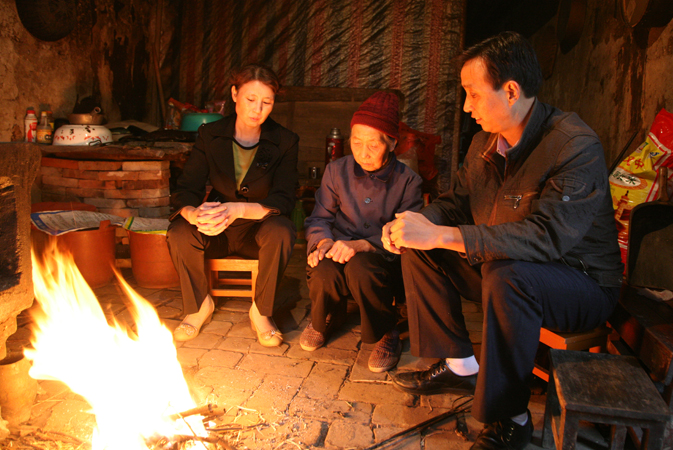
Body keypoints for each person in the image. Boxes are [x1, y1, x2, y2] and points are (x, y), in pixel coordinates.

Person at [382, 32, 624, 450]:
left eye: (473, 94)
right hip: (503, 269)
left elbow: (546, 237)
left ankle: (511, 418)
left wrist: (442, 233)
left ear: (511, 91)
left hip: (579, 283)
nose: (466, 106)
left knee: (507, 275)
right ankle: (461, 366)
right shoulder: (484, 143)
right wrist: (417, 223)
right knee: (422, 248)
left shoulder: (573, 145)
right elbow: (456, 203)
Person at [167, 63, 298, 347]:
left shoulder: (285, 141)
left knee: (282, 229)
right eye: (251, 99)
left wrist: (238, 209)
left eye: (267, 102)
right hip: (217, 231)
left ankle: (261, 312)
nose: (257, 109)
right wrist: (193, 214)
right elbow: (187, 188)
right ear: (235, 94)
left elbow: (285, 197)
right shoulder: (210, 134)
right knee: (179, 230)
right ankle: (199, 306)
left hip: (257, 232)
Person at [301, 92, 423, 372]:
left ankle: (387, 330)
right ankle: (324, 318)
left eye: (373, 144)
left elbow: (407, 232)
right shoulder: (336, 171)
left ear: (392, 143)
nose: (363, 153)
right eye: (356, 143)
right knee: (322, 268)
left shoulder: (408, 181)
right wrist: (322, 242)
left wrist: (363, 245)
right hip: (338, 246)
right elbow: (319, 217)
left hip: (382, 256)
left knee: (362, 269)